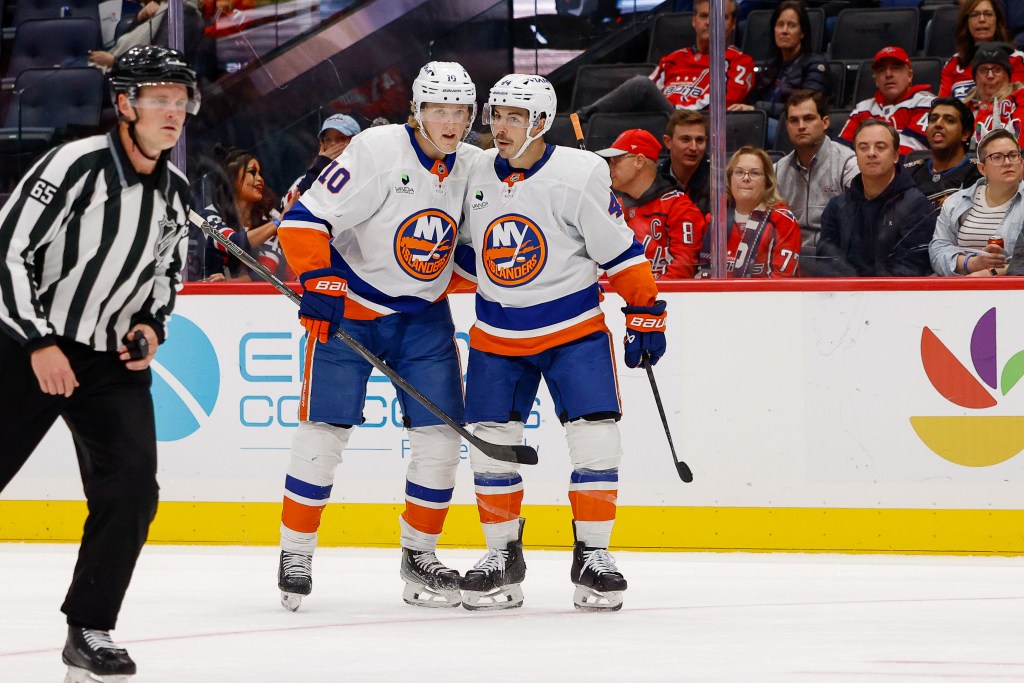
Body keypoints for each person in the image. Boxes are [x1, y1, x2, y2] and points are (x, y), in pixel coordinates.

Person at [0, 45, 197, 681]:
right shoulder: (75, 165)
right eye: (158, 99)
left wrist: (151, 325)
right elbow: (7, 254)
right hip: (25, 347)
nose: (173, 112)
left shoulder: (176, 191)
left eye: (180, 100)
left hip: (109, 362)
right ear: (123, 105)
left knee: (133, 491)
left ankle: (90, 626)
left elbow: (167, 273)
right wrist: (38, 342)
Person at [273, 61, 481, 612]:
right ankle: (296, 550)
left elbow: (472, 242)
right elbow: (302, 221)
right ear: (417, 110)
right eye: (440, 108)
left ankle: (421, 557)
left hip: (424, 320)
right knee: (323, 436)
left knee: (440, 441)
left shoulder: (473, 164)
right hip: (353, 313)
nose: (452, 120)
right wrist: (318, 280)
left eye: (461, 110)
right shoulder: (377, 150)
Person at [458, 74, 665, 612]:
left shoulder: (581, 174)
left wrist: (645, 312)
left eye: (513, 116)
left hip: (572, 332)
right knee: (491, 445)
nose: (499, 126)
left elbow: (621, 252)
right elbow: (457, 248)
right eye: (496, 114)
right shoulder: (472, 169)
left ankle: (593, 556)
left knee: (596, 438)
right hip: (496, 333)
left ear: (542, 123)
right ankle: (502, 556)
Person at [576, 0, 754, 119]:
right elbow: (647, 95)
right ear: (694, 21)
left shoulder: (740, 62)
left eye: (720, 17)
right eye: (703, 16)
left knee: (640, 85)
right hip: (661, 120)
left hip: (695, 124)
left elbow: (725, 107)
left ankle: (579, 119)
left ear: (732, 24)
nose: (709, 22)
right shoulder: (673, 59)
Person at [817, 119, 936, 276]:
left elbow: (910, 269)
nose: (871, 153)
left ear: (895, 156)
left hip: (894, 295)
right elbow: (826, 262)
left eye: (880, 147)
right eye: (863, 147)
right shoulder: (837, 206)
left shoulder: (917, 206)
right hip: (843, 294)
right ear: (856, 155)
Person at [597, 128, 706, 278]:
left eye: (616, 160)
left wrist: (645, 295)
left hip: (666, 299)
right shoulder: (614, 207)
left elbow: (682, 271)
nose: (610, 167)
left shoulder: (680, 208)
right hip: (620, 298)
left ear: (639, 161)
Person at [727, 0, 831, 144]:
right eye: (780, 25)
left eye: (792, 25)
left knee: (748, 128)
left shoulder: (815, 64)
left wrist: (757, 108)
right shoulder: (771, 66)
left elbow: (808, 107)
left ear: (802, 33)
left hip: (794, 125)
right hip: (765, 121)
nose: (784, 31)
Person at [930, 127, 1024, 276]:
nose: (1007, 162)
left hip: (1012, 292)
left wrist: (995, 272)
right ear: (982, 169)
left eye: (1013, 155)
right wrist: (971, 264)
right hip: (958, 288)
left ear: (1022, 162)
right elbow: (937, 250)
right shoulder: (956, 202)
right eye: (997, 157)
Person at [774, 90, 858, 255]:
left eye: (808, 118)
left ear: (825, 122)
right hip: (789, 259)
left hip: (835, 259)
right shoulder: (777, 170)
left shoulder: (848, 164)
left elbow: (857, 226)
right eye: (793, 120)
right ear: (787, 126)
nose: (801, 126)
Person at [698, 146, 801, 277]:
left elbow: (782, 283)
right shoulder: (714, 221)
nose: (746, 178)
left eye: (755, 173)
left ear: (768, 182)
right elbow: (700, 274)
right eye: (739, 172)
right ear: (729, 179)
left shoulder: (783, 221)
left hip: (764, 296)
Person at [200, 146, 284, 281]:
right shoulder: (209, 215)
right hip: (210, 299)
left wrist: (229, 284)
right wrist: (278, 223)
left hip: (262, 300)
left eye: (260, 173)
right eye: (252, 172)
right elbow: (232, 243)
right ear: (231, 178)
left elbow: (265, 271)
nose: (260, 179)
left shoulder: (270, 218)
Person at [839, 46, 937, 156]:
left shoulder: (928, 103)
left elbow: (914, 151)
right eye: (881, 70)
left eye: (896, 68)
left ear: (910, 75)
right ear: (876, 80)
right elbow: (841, 150)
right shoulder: (862, 109)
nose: (888, 74)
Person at [904, 97, 982, 208]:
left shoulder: (979, 173)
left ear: (965, 133)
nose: (938, 124)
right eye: (933, 119)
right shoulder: (908, 172)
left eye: (949, 120)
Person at [939, 0, 1024, 101]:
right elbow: (942, 106)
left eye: (988, 14)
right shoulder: (953, 63)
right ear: (966, 22)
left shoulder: (1018, 59)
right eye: (975, 15)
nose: (982, 19)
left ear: (997, 20)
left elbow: (1017, 101)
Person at [88, 0, 205, 71]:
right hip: (125, 67)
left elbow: (160, 61)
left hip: (138, 80)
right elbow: (130, 36)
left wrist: (114, 62)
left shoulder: (182, 15)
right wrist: (140, 18)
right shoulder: (163, 9)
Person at [963, 42, 1024, 147]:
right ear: (975, 76)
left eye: (997, 70)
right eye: (983, 70)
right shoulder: (963, 108)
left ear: (1007, 75)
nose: (990, 76)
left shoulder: (1020, 100)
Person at [659, 109, 711, 214]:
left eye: (699, 140)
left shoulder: (718, 181)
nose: (693, 147)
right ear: (668, 142)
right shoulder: (655, 178)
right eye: (685, 139)